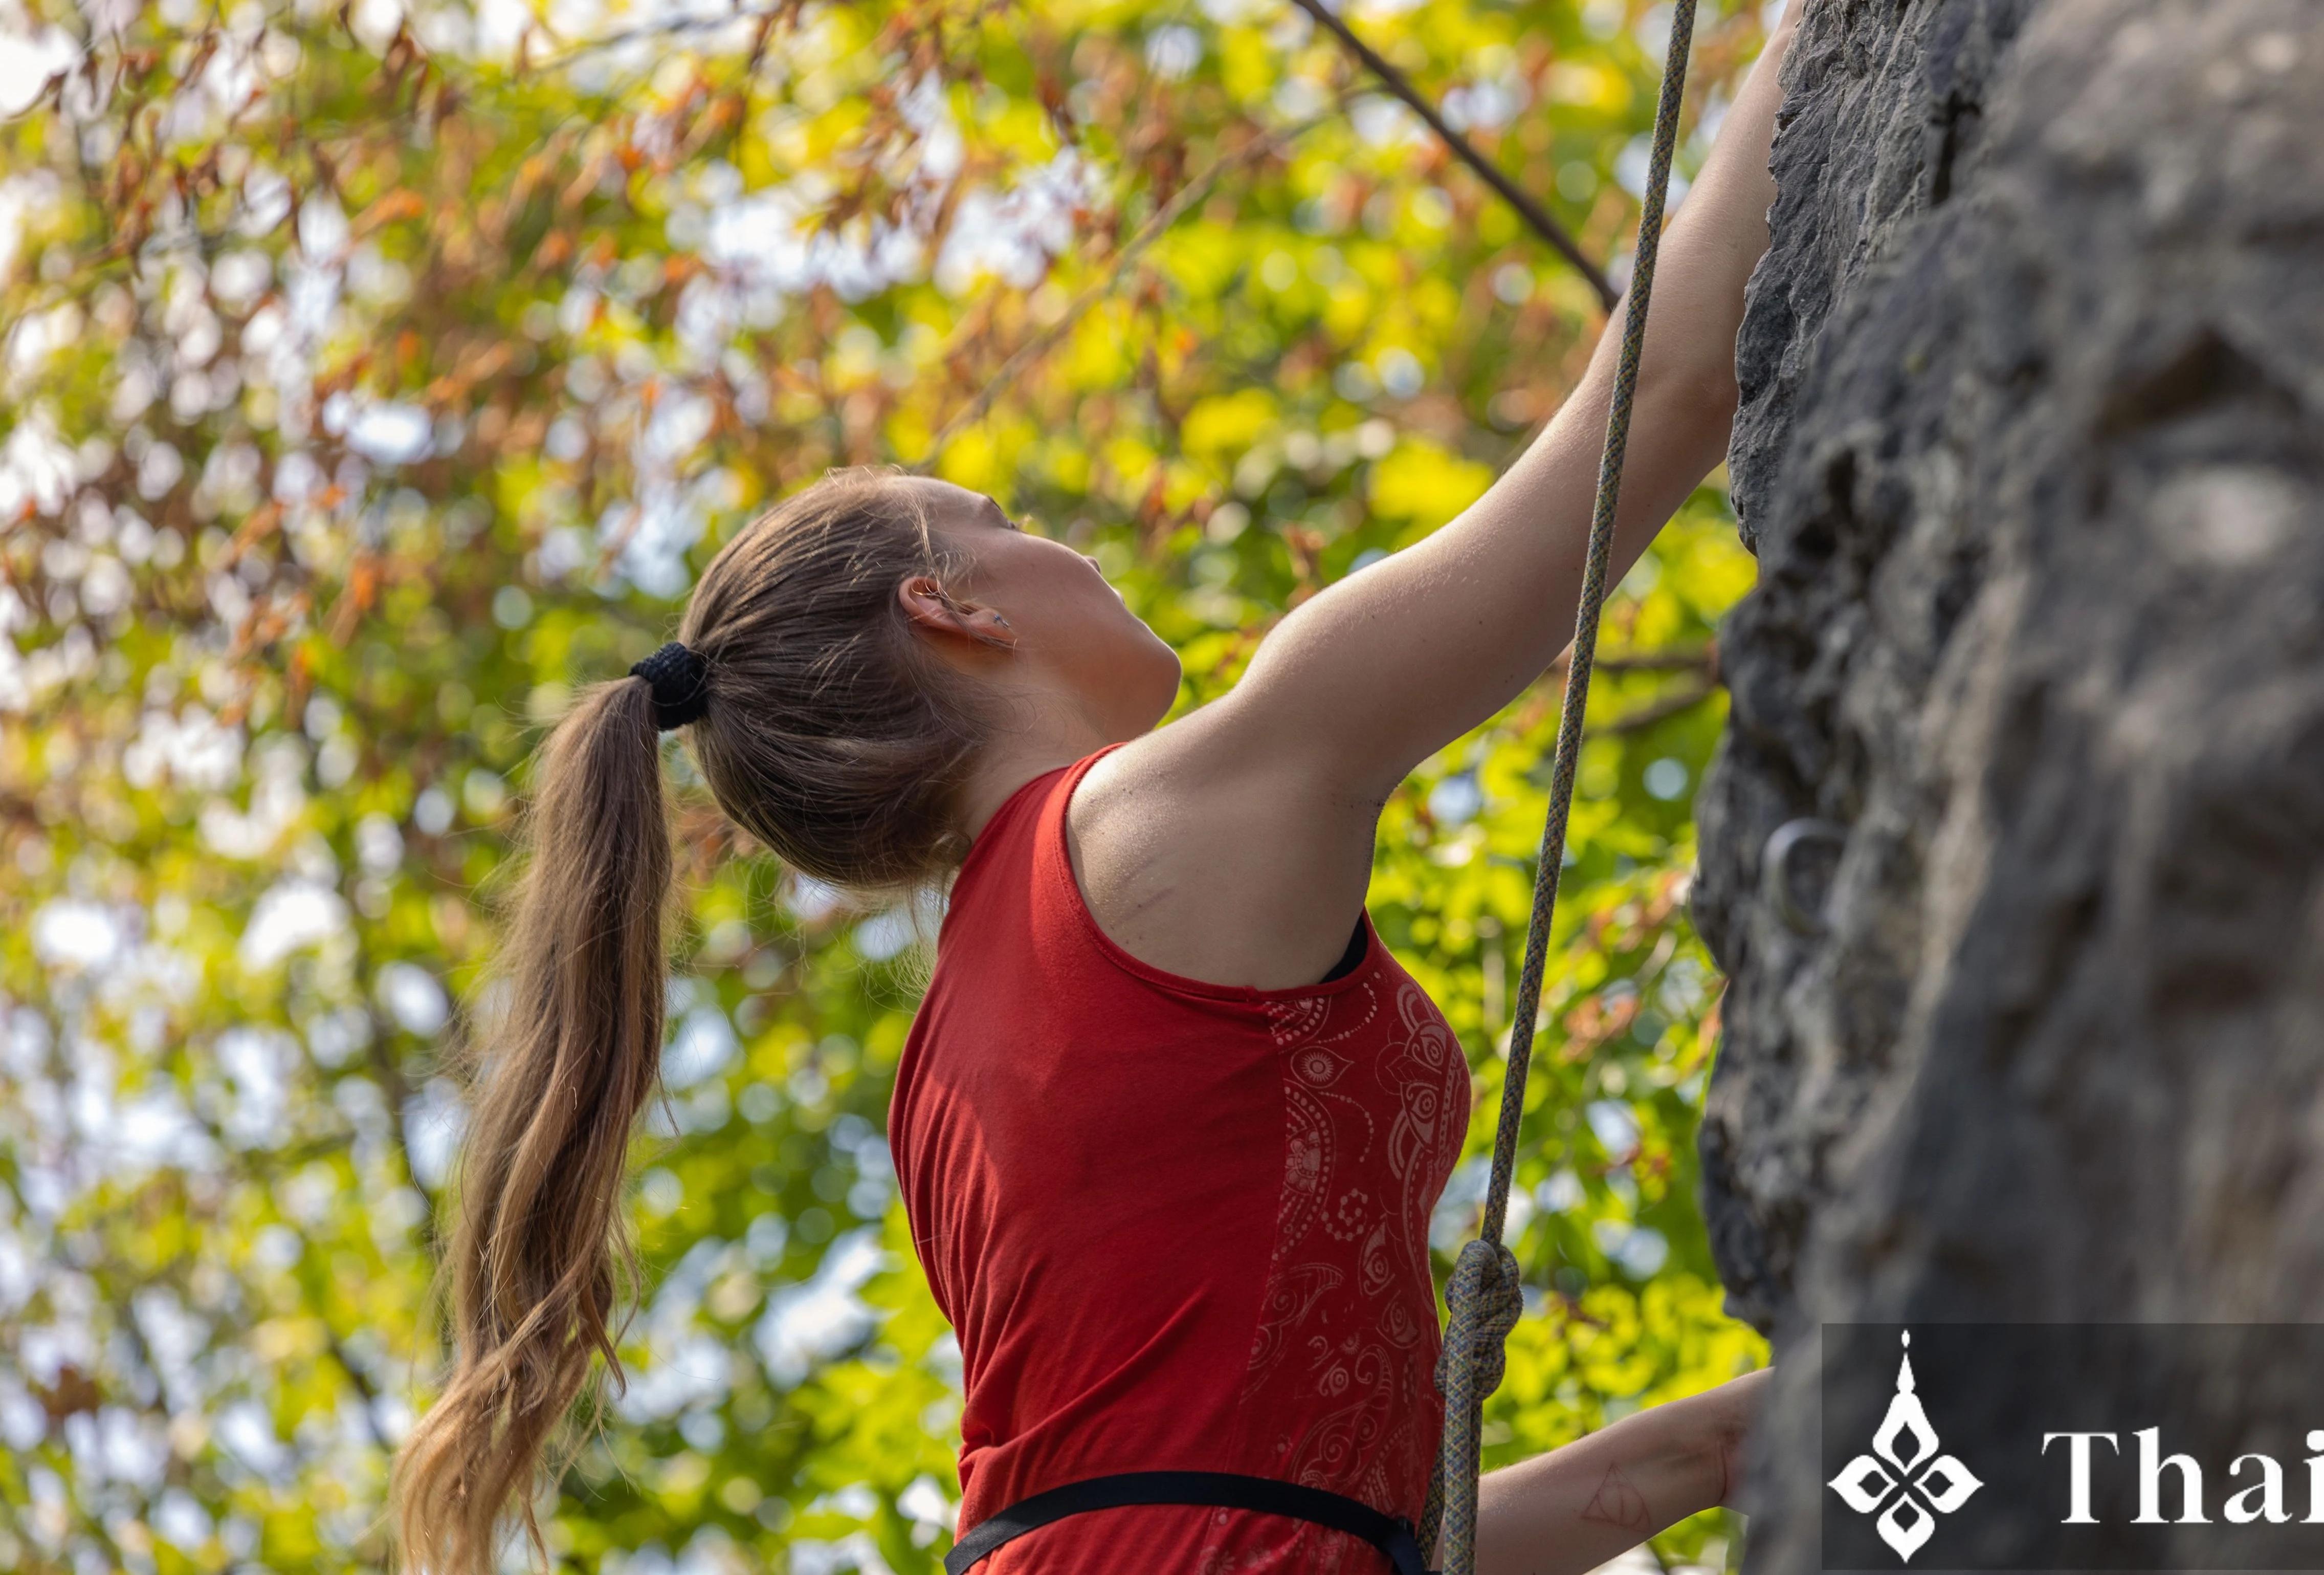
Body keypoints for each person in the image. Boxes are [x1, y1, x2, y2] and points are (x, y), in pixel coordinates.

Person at [393, 8, 1801, 1572]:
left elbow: (1279, 1511)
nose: (1067, 540)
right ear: (954, 606)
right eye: (1006, 518)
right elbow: (1664, 393)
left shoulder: (947, 1074)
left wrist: (1714, 1448)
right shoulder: (1152, 828)